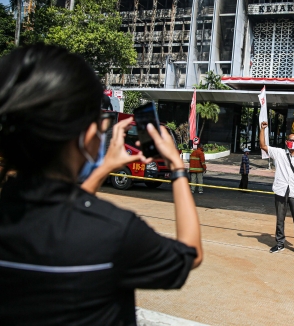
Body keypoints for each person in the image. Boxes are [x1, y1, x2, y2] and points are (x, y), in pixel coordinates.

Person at [0, 45, 202, 325]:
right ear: (87, 137)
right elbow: (190, 253)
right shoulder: (113, 231)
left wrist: (105, 167)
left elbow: (55, 219)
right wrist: (178, 170)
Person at [259, 121, 294, 258]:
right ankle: (280, 243)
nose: (291, 142)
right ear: (286, 141)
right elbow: (263, 145)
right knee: (280, 219)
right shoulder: (279, 153)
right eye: (289, 140)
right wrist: (262, 129)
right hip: (281, 190)